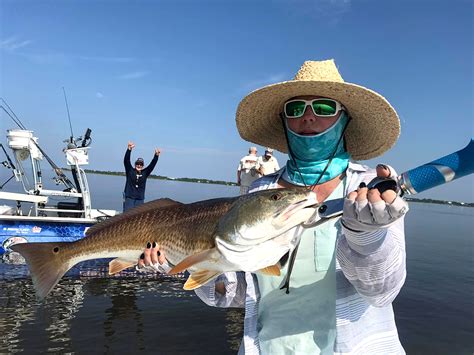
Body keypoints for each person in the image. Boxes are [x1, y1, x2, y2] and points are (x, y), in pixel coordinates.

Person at [138, 60, 409, 354]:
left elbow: (382, 292)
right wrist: (184, 263)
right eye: (295, 109)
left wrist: (365, 236)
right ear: (284, 121)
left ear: (344, 119)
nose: (307, 117)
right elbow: (239, 291)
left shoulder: (373, 190)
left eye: (324, 108)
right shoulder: (260, 191)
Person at [123, 141, 161, 212]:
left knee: (137, 215)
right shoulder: (130, 171)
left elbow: (152, 165)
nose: (139, 165)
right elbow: (126, 160)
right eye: (137, 164)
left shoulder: (145, 173)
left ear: (143, 166)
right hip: (129, 198)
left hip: (140, 199)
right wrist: (129, 149)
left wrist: (156, 155)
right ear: (135, 164)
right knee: (127, 214)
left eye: (141, 164)